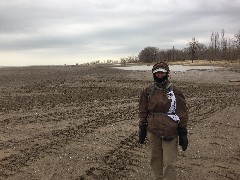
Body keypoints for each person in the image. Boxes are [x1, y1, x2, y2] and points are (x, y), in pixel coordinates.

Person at [138, 62, 189, 180]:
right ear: (153, 74)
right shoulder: (148, 90)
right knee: (155, 160)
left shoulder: (175, 91)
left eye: (162, 72)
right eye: (157, 73)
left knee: (169, 163)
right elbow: (143, 110)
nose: (159, 75)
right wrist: (142, 126)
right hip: (153, 130)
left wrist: (183, 131)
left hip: (170, 131)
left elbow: (182, 112)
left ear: (167, 73)